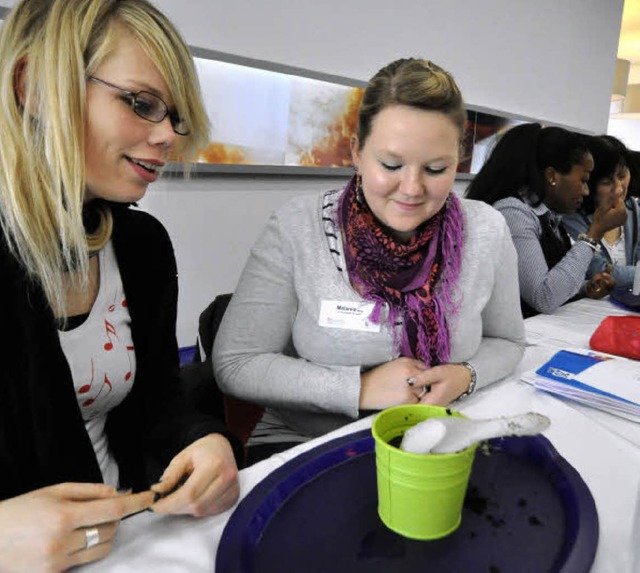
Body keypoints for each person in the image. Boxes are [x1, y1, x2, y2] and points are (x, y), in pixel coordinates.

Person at [0, 1, 242, 571]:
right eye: (140, 104)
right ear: (33, 86)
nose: (167, 138)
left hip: (133, 543)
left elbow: (155, 404)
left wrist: (202, 442)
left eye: (174, 117)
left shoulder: (141, 245)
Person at [213, 57, 526, 465]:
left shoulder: (487, 230)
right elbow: (237, 364)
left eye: (436, 168)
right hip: (310, 438)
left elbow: (508, 340)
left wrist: (466, 375)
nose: (412, 189)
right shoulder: (297, 227)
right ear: (357, 153)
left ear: (458, 161)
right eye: (391, 165)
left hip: (436, 434)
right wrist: (357, 389)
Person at [465, 123, 627, 317]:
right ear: (552, 176)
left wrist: (584, 288)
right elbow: (543, 297)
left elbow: (550, 281)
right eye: (583, 180)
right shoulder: (513, 212)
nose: (585, 191)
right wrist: (595, 232)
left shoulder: (547, 215)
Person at [563, 135, 640, 289]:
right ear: (589, 185)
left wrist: (616, 272)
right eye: (606, 182)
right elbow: (594, 271)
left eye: (622, 176)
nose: (618, 189)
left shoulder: (634, 210)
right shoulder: (570, 218)